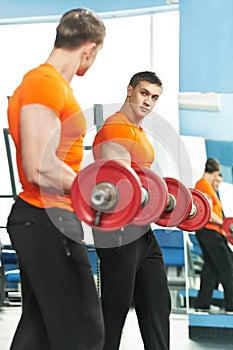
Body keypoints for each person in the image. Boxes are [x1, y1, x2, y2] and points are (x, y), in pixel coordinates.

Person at [7, 8, 105, 350]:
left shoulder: (52, 86)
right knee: (84, 332)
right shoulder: (43, 82)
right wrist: (95, 191)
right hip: (45, 218)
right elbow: (38, 166)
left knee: (40, 333)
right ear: (89, 49)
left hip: (49, 219)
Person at [92, 71, 171, 350]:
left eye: (154, 97)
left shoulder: (137, 132)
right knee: (115, 309)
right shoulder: (115, 128)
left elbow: (146, 181)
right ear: (129, 90)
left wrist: (168, 200)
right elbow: (123, 183)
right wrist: (157, 198)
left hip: (142, 229)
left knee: (157, 304)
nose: (148, 101)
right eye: (144, 93)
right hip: (117, 228)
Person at [194, 158, 233, 313]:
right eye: (218, 177)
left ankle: (202, 303)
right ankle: (232, 303)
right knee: (228, 266)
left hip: (213, 232)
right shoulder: (203, 186)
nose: (218, 181)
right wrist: (224, 222)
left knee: (210, 268)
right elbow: (208, 213)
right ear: (215, 172)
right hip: (209, 232)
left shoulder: (208, 188)